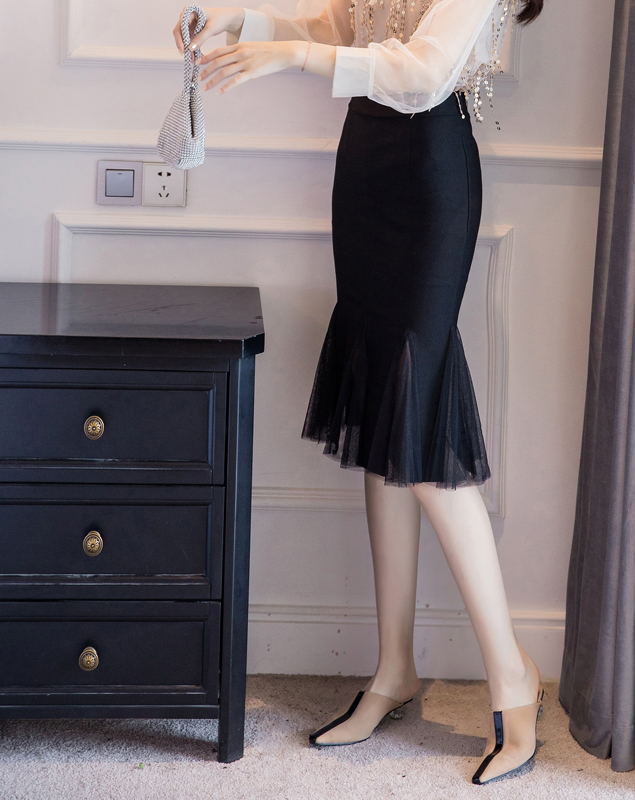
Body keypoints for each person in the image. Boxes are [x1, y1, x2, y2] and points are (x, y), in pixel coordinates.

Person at [173, 0, 545, 785]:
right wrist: (243, 26)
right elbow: (343, 28)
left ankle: (513, 674)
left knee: (419, 417)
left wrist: (290, 59)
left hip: (430, 169)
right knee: (382, 414)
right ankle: (394, 668)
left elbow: (424, 71)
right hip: (366, 165)